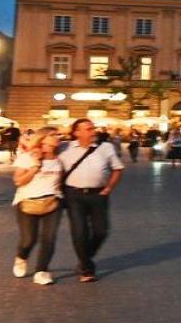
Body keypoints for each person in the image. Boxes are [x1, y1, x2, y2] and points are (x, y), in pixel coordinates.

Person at [60, 118, 126, 283]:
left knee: (101, 231)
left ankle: (84, 257)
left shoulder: (106, 147)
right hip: (73, 194)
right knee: (79, 232)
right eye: (88, 129)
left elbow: (118, 169)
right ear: (76, 132)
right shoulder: (65, 148)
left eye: (93, 128)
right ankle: (87, 269)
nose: (93, 131)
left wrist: (109, 188)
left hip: (98, 194)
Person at [12, 128, 65, 285]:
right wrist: (35, 167)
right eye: (53, 135)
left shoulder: (59, 158)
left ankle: (41, 271)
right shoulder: (27, 157)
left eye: (58, 135)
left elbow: (60, 180)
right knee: (29, 239)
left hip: (53, 202)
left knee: (49, 238)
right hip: (27, 201)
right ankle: (22, 257)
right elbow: (18, 181)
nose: (57, 137)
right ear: (42, 138)